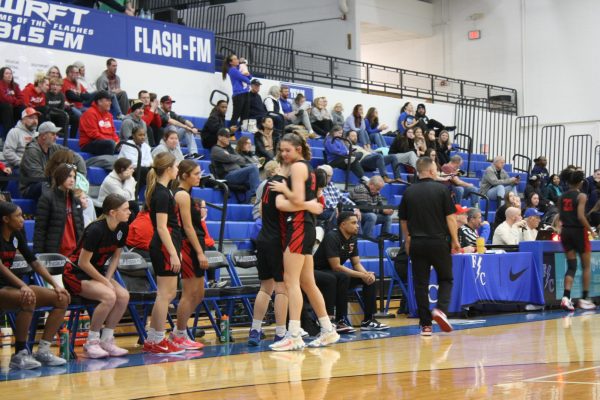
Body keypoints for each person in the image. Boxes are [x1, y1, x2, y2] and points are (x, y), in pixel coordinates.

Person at [268, 133, 340, 351]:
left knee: (291, 281)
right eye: (281, 150)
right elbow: (309, 200)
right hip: (305, 225)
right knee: (307, 282)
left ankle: (294, 334)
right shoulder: (307, 168)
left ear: (298, 148)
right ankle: (328, 329)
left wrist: (283, 189)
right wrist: (309, 205)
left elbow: (298, 200)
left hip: (299, 226)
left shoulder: (299, 168)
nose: (283, 154)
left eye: (287, 150)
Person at [249, 160, 322, 345]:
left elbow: (260, 210)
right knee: (282, 288)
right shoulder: (281, 185)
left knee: (265, 288)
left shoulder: (266, 185)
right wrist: (311, 205)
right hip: (276, 242)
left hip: (262, 237)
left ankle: (255, 330)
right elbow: (286, 206)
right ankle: (281, 332)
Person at [0, 201, 70, 369]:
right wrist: (23, 286)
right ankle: (20, 354)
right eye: (17, 216)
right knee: (27, 298)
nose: (22, 219)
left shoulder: (16, 235)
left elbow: (35, 262)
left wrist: (55, 285)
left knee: (62, 298)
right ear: (5, 219)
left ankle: (43, 351)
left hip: (11, 287)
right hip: (4, 288)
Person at [63, 194, 130, 358]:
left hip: (96, 273)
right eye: (126, 209)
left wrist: (107, 279)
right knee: (109, 296)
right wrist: (105, 282)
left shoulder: (122, 227)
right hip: (75, 273)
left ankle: (107, 340)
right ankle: (92, 341)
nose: (130, 212)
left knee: (123, 296)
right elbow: (83, 263)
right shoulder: (95, 229)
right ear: (113, 212)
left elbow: (116, 257)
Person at [399, 156, 459, 336]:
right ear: (432, 171)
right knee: (446, 278)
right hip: (438, 241)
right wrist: (455, 240)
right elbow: (450, 218)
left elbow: (403, 221)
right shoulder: (442, 190)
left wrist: (407, 240)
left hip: (417, 242)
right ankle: (440, 309)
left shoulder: (408, 192)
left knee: (420, 284)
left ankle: (425, 325)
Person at [314, 211, 389, 331]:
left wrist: (366, 275)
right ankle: (340, 320)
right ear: (343, 225)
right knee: (343, 277)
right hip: (321, 272)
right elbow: (336, 267)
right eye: (353, 223)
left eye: (357, 223)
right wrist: (362, 275)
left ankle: (368, 320)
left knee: (370, 279)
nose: (358, 225)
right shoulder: (332, 237)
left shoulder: (352, 238)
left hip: (337, 275)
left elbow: (356, 263)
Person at [143, 152, 185, 354]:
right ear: (168, 169)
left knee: (168, 294)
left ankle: (153, 338)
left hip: (168, 245)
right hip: (163, 246)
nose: (178, 170)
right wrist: (173, 253)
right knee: (164, 295)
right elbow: (161, 227)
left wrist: (177, 250)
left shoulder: (165, 191)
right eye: (176, 166)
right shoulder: (160, 193)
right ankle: (158, 339)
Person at [171, 160, 208, 350]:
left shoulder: (189, 195)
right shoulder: (181, 195)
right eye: (196, 173)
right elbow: (187, 227)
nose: (199, 177)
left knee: (199, 293)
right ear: (184, 175)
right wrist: (200, 253)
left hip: (196, 242)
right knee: (189, 293)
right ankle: (179, 333)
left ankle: (179, 331)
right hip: (187, 245)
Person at [558, 169, 597, 311]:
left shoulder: (562, 196)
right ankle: (585, 299)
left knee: (572, 266)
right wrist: (591, 230)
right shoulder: (581, 196)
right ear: (581, 182)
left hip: (565, 232)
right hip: (578, 232)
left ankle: (566, 297)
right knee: (586, 266)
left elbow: (559, 216)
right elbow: (581, 216)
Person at [19, 121, 86, 199]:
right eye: (53, 134)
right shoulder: (31, 151)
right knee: (47, 185)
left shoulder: (55, 147)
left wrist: (80, 178)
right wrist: (61, 180)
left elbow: (77, 158)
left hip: (51, 182)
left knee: (74, 189)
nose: (56, 137)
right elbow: (37, 177)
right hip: (31, 188)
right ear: (43, 136)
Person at [33, 164, 84, 257]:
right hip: (55, 252)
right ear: (60, 176)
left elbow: (80, 228)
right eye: (69, 176)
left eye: (74, 177)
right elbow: (40, 229)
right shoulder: (47, 198)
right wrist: (38, 255)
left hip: (75, 253)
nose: (72, 180)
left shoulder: (76, 201)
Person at [210, 128, 260, 199]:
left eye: (229, 136)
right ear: (219, 137)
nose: (229, 138)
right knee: (253, 168)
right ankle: (254, 197)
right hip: (228, 175)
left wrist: (230, 156)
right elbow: (229, 158)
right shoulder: (215, 149)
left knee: (260, 181)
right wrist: (232, 157)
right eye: (226, 136)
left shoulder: (229, 149)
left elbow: (242, 160)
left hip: (237, 173)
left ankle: (250, 201)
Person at [350, 176, 394, 240]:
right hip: (355, 213)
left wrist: (387, 210)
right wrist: (382, 210)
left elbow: (380, 206)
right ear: (371, 185)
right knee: (372, 216)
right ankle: (367, 237)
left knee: (387, 217)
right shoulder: (360, 189)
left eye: (379, 189)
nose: (378, 191)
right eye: (378, 189)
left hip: (366, 213)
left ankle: (384, 235)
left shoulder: (376, 192)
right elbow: (364, 208)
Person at [317, 164, 360, 229]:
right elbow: (327, 202)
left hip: (335, 210)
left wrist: (355, 207)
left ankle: (357, 238)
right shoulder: (319, 185)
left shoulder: (331, 184)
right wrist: (337, 209)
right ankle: (335, 235)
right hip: (324, 210)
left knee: (354, 214)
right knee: (334, 214)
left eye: (330, 176)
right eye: (327, 175)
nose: (329, 178)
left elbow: (342, 197)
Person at [79, 90, 119, 156]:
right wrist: (112, 142)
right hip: (89, 143)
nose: (110, 103)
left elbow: (113, 132)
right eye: (107, 100)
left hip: (107, 142)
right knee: (110, 144)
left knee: (124, 145)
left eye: (110, 101)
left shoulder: (109, 115)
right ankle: (110, 164)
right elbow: (93, 134)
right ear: (99, 102)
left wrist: (118, 142)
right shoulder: (90, 113)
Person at [222, 54, 252, 128]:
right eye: (235, 59)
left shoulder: (239, 68)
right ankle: (231, 133)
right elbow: (247, 80)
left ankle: (242, 132)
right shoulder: (232, 70)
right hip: (238, 94)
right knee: (236, 114)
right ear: (231, 62)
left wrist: (247, 74)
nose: (237, 60)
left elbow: (250, 77)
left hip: (246, 93)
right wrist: (246, 76)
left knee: (245, 115)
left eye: (237, 58)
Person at [0, 67, 25, 134]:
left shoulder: (15, 85)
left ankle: (24, 132)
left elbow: (22, 99)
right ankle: (8, 135)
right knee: (7, 106)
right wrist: (14, 99)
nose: (9, 75)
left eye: (11, 73)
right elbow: (3, 99)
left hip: (12, 108)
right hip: (3, 109)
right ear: (2, 75)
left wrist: (13, 100)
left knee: (22, 107)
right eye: (7, 73)